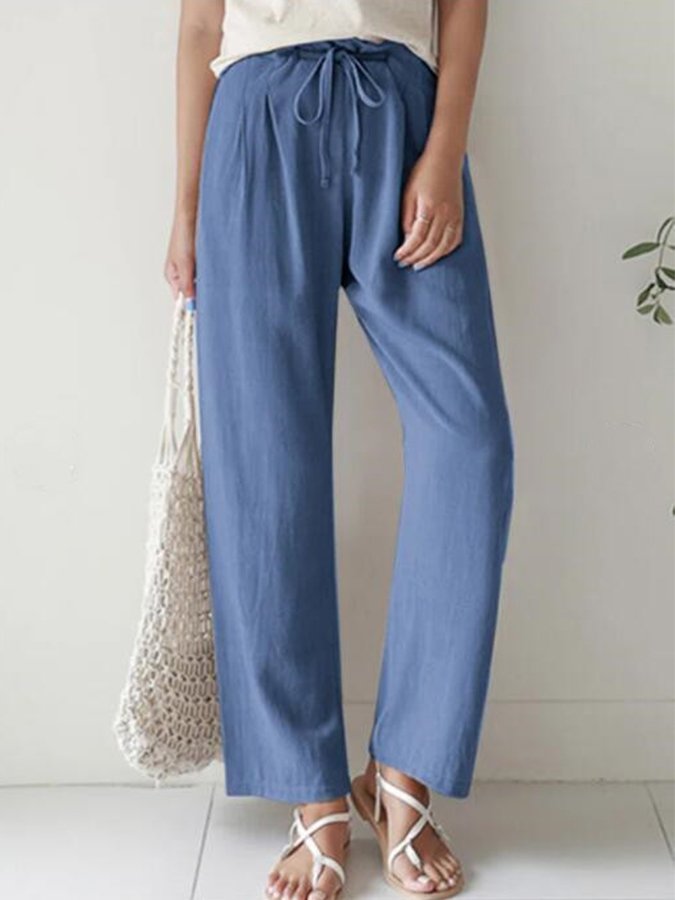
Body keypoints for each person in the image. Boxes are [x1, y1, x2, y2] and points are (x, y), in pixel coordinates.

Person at [165, 2, 514, 898]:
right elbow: (200, 28)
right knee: (265, 465)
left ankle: (402, 773)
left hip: (401, 108)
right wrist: (186, 206)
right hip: (254, 119)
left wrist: (444, 149)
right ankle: (312, 793)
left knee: (469, 440)